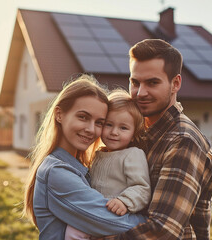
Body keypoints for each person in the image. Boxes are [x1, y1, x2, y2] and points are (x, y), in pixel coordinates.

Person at [97, 39, 212, 239]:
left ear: (175, 83)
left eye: (152, 82)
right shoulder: (135, 133)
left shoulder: (183, 141)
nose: (141, 93)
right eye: (135, 82)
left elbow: (162, 231)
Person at [22, 74, 146, 240]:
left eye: (99, 122)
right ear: (59, 115)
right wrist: (158, 222)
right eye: (83, 117)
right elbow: (112, 222)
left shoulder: (83, 166)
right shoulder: (57, 171)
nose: (91, 129)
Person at [65, 89, 152, 240]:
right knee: (71, 231)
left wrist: (124, 201)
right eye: (108, 124)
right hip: (94, 213)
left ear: (134, 133)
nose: (114, 132)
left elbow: (142, 188)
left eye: (123, 128)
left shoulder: (132, 155)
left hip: (117, 216)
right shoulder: (98, 154)